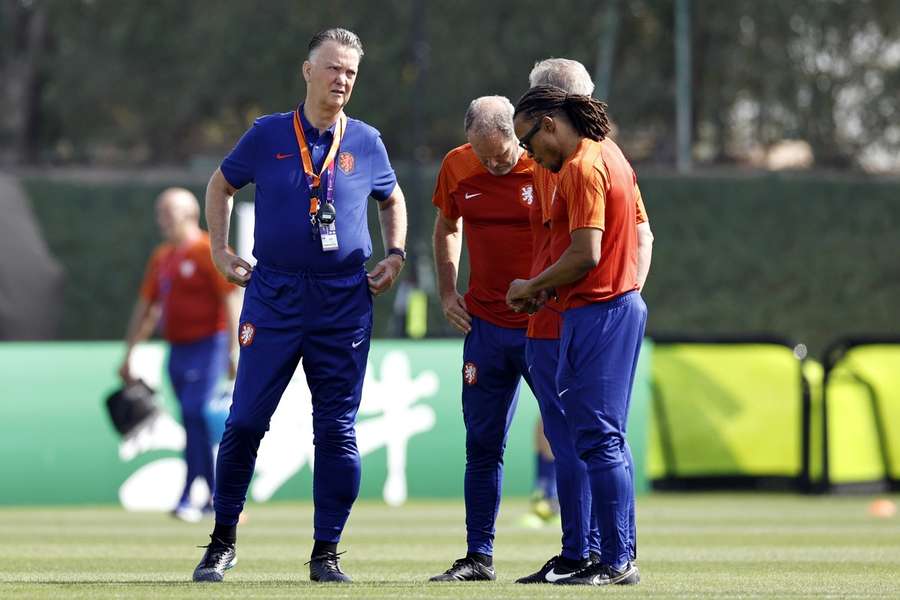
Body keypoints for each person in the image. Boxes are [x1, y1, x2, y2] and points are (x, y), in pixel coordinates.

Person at [192, 28, 407, 584]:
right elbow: (221, 185)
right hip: (276, 294)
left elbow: (392, 196)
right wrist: (218, 248)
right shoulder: (266, 134)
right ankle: (221, 542)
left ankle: (326, 553)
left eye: (351, 73)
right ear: (307, 71)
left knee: (337, 429)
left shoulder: (365, 139)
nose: (342, 80)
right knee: (243, 422)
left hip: (343, 300)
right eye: (333, 68)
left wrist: (397, 254)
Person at [516, 58, 653, 584]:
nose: (529, 154)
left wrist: (531, 286)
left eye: (530, 142)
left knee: (598, 438)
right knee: (597, 437)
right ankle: (600, 555)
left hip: (601, 308)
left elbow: (586, 253)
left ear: (549, 121)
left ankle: (615, 560)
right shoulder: (605, 154)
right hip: (595, 308)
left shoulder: (580, 165)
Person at [429, 96, 537, 582]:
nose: (494, 165)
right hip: (486, 328)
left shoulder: (545, 163)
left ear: (517, 133)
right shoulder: (457, 165)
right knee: (482, 443)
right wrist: (448, 290)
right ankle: (479, 557)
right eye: (484, 155)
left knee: (573, 437)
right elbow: (446, 226)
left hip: (544, 325)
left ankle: (584, 553)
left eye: (502, 153)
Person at [119, 187, 238, 523]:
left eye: (166, 214)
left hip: (209, 345)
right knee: (191, 420)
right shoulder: (162, 257)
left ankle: (196, 493)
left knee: (196, 411)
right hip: (178, 348)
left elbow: (231, 298)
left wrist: (234, 348)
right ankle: (212, 497)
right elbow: (147, 307)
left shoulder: (208, 250)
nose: (161, 222)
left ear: (188, 214)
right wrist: (129, 352)